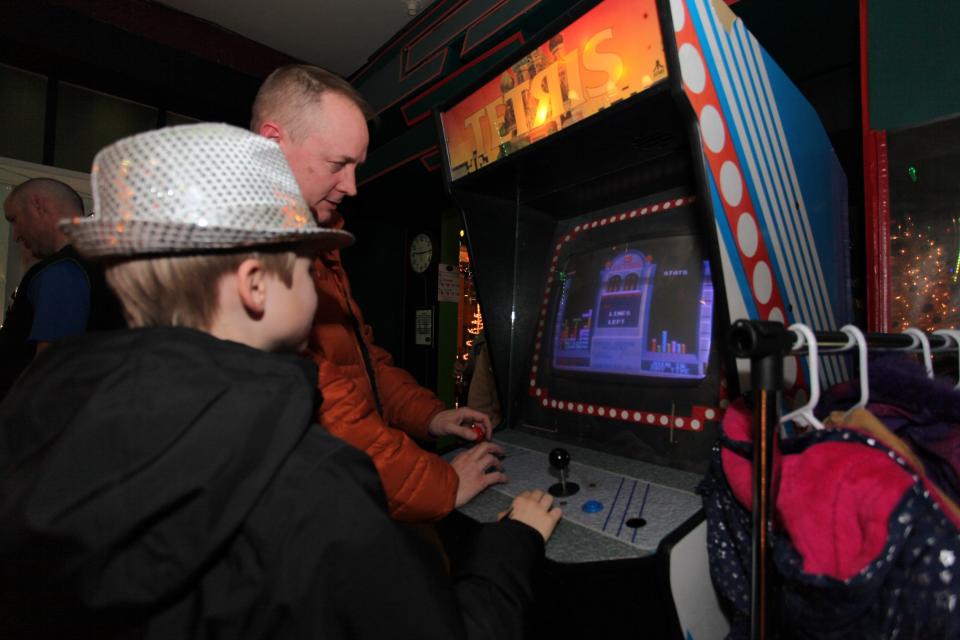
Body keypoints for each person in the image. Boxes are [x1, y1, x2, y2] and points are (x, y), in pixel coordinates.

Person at [0, 124, 561, 639]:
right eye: (301, 262)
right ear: (254, 286)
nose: (314, 285)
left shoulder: (40, 425)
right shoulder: (306, 483)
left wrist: (430, 416)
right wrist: (513, 544)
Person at [252, 65, 506, 521]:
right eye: (337, 165)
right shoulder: (255, 248)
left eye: (356, 167)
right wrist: (443, 485)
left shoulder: (318, 237)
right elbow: (330, 407)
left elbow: (364, 363)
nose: (351, 187)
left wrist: (430, 416)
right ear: (273, 144)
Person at [0, 178, 124, 399]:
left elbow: (51, 367)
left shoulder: (63, 270)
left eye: (15, 219)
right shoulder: (105, 266)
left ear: (38, 206)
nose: (17, 234)